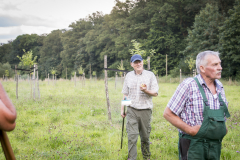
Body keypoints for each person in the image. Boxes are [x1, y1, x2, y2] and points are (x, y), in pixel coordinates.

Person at [163, 51, 230, 160]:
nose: (220, 67)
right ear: (202, 68)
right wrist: (190, 130)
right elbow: (168, 114)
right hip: (193, 145)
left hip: (215, 145)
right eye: (215, 65)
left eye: (220, 64)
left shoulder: (220, 87)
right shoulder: (189, 85)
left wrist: (223, 128)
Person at [121, 54, 159, 160]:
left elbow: (155, 93)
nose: (138, 64)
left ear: (142, 62)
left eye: (139, 61)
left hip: (145, 110)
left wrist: (146, 90)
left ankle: (146, 157)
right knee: (132, 136)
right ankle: (132, 158)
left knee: (145, 137)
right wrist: (122, 109)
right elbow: (125, 94)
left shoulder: (150, 75)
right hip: (131, 109)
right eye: (135, 62)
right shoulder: (128, 76)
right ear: (131, 64)